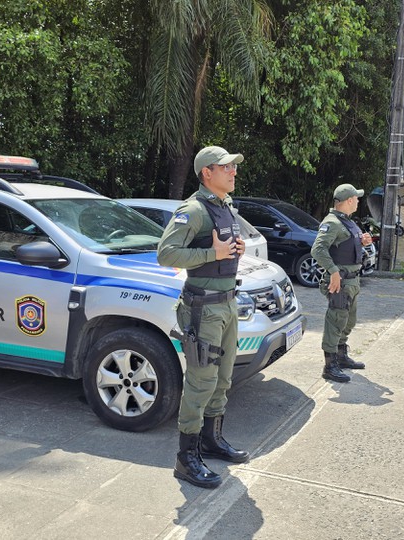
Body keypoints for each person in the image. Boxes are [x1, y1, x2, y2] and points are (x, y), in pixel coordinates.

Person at [157, 145, 249, 489]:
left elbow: (224, 251)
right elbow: (165, 254)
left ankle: (211, 441)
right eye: (226, 167)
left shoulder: (224, 207)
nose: (233, 172)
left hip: (226, 303)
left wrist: (233, 250)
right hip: (203, 308)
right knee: (200, 383)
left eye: (234, 167)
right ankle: (186, 459)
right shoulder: (194, 210)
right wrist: (215, 252)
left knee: (223, 379)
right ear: (206, 173)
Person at [311, 184, 372, 383]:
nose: (358, 201)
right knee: (335, 321)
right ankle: (329, 365)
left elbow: (345, 246)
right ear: (348, 201)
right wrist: (333, 271)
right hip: (341, 282)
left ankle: (341, 355)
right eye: (356, 198)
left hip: (352, 281)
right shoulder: (332, 223)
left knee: (348, 321)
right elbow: (318, 250)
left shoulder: (347, 222)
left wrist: (362, 242)